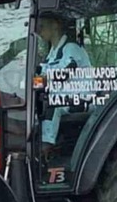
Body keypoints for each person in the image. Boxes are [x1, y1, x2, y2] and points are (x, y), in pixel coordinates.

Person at [38, 10, 92, 163]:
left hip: (81, 97)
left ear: (54, 25)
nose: (39, 32)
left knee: (53, 104)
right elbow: (40, 75)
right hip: (65, 97)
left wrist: (39, 81)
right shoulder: (52, 53)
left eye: (41, 27)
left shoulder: (71, 48)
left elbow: (64, 73)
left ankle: (46, 146)